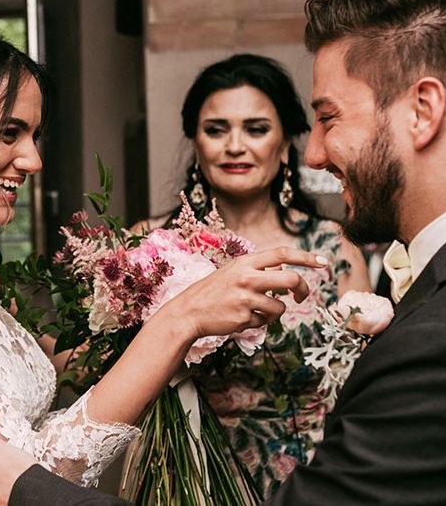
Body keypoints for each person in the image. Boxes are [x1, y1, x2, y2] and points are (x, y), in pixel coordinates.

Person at [0, 0, 446, 506]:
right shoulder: (148, 244)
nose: (317, 153)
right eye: (216, 129)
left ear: (423, 110)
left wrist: (28, 493)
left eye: (327, 118)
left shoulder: (444, 334)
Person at [0, 15, 321, 506]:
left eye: (33, 136)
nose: (33, 160)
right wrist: (177, 321)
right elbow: (25, 480)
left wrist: (148, 323)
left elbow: (27, 434)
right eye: (9, 132)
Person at [131, 54, 371, 498]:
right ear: (196, 142)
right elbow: (102, 373)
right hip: (189, 481)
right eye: (216, 129)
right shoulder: (148, 247)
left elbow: (362, 385)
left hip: (313, 482)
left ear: (284, 144)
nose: (234, 145)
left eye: (256, 129)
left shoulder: (333, 247)